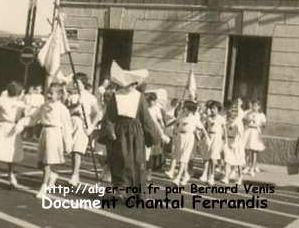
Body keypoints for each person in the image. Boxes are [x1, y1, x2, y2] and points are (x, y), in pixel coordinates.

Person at [98, 61, 160, 200]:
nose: (132, 86)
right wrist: (110, 131)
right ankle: (121, 190)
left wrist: (152, 136)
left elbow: (146, 118)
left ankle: (138, 193)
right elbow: (109, 116)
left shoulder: (140, 97)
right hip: (120, 132)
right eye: (130, 83)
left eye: (134, 84)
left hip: (136, 133)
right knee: (120, 160)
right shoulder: (116, 96)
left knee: (137, 161)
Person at [16, 83, 73, 198]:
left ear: (59, 95)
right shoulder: (43, 106)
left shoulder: (62, 108)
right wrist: (21, 123)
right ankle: (52, 176)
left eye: (51, 93)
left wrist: (68, 143)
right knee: (40, 163)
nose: (48, 95)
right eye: (48, 92)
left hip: (54, 134)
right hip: (44, 133)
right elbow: (33, 118)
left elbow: (67, 127)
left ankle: (44, 188)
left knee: (47, 163)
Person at [0, 82, 25, 191]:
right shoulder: (2, 100)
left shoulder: (20, 104)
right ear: (18, 92)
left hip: (13, 128)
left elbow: (28, 115)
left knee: (11, 154)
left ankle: (10, 176)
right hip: (3, 127)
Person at [67, 72, 101, 186]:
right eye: (74, 82)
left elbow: (98, 113)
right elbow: (66, 111)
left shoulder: (90, 97)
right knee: (72, 151)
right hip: (71, 123)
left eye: (78, 83)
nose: (75, 85)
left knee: (77, 150)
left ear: (83, 83)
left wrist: (91, 126)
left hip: (82, 125)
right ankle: (74, 174)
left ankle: (74, 175)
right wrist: (75, 106)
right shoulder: (71, 96)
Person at [171, 101, 209, 186]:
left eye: (186, 108)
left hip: (189, 138)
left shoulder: (194, 118)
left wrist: (207, 138)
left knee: (183, 158)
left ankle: (178, 177)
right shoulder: (181, 115)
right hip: (180, 137)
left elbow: (202, 128)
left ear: (191, 110)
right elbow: (176, 123)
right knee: (181, 158)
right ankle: (186, 176)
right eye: (184, 107)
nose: (184, 109)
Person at [202, 101, 225, 185]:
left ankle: (211, 176)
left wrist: (224, 141)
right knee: (207, 156)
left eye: (214, 108)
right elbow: (204, 128)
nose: (212, 110)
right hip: (209, 138)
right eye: (211, 108)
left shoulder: (221, 119)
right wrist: (203, 137)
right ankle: (206, 175)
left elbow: (224, 130)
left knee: (213, 157)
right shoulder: (208, 118)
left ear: (218, 110)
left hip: (217, 138)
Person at [221, 102, 245, 185]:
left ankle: (240, 177)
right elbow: (224, 133)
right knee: (227, 161)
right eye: (231, 112)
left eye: (235, 112)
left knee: (239, 162)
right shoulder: (226, 122)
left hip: (237, 145)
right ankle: (226, 177)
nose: (233, 113)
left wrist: (236, 143)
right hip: (228, 143)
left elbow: (241, 135)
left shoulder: (239, 123)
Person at [243, 100, 266, 176]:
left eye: (256, 106)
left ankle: (252, 168)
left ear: (259, 107)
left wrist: (259, 124)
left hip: (255, 132)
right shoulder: (248, 113)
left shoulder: (261, 115)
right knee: (247, 150)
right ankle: (246, 166)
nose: (254, 107)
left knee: (254, 151)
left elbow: (264, 125)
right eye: (253, 105)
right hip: (248, 131)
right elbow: (244, 121)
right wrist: (247, 121)